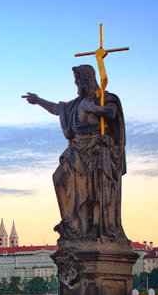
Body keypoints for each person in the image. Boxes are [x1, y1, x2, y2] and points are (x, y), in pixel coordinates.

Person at [23, 64, 126, 241]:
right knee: (60, 177)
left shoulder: (104, 98)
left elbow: (111, 112)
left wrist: (92, 108)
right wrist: (38, 100)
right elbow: (57, 109)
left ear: (86, 80)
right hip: (77, 148)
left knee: (96, 189)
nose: (76, 84)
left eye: (78, 80)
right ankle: (73, 224)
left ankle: (95, 227)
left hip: (97, 148)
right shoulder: (75, 104)